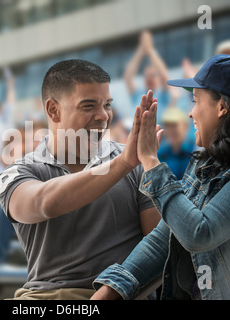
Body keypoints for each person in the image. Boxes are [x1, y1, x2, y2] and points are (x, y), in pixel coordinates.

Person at [0, 59, 161, 300]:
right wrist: (123, 163)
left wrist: (113, 291)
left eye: (107, 104)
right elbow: (43, 203)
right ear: (53, 110)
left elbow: (159, 247)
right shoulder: (18, 172)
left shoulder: (137, 163)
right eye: (88, 106)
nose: (103, 115)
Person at [91, 54, 230, 300]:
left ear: (221, 107)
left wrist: (151, 162)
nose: (191, 113)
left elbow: (200, 234)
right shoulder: (205, 164)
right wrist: (108, 292)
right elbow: (163, 238)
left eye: (196, 101)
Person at [124, 30, 171, 122]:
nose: (149, 78)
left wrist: (150, 50)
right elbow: (128, 77)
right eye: (147, 76)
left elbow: (164, 76)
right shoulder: (138, 94)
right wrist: (141, 49)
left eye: (153, 75)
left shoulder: (162, 95)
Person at [158, 107, 196, 180]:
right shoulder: (161, 153)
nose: (171, 130)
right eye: (167, 126)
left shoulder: (195, 152)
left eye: (174, 125)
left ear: (186, 126)